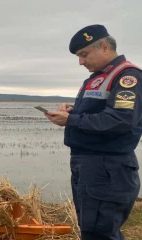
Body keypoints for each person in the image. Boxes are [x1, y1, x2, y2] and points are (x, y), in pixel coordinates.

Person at [45, 24, 141, 239]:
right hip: (89, 164)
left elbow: (122, 119)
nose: (80, 62)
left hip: (106, 167)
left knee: (101, 233)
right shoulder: (98, 77)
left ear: (105, 47)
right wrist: (73, 110)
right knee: (91, 229)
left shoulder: (127, 76)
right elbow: (98, 111)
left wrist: (72, 119)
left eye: (84, 54)